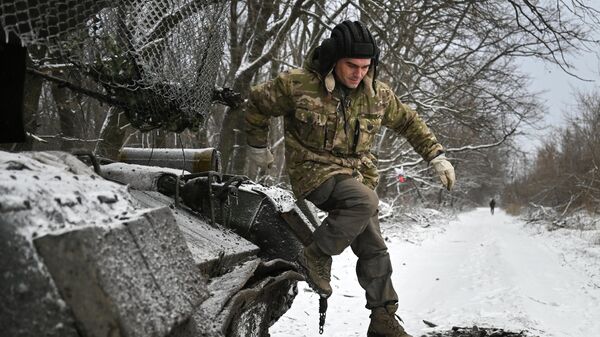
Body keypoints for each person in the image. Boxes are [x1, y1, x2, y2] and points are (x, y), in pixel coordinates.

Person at [245, 20, 455, 337]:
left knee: (374, 246)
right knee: (365, 200)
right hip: (314, 171)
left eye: (365, 67)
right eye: (351, 66)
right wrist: (257, 146)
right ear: (333, 61)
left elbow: (410, 122)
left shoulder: (377, 95)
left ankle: (382, 318)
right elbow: (257, 103)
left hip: (357, 176)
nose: (358, 74)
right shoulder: (298, 85)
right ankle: (315, 254)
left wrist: (435, 156)